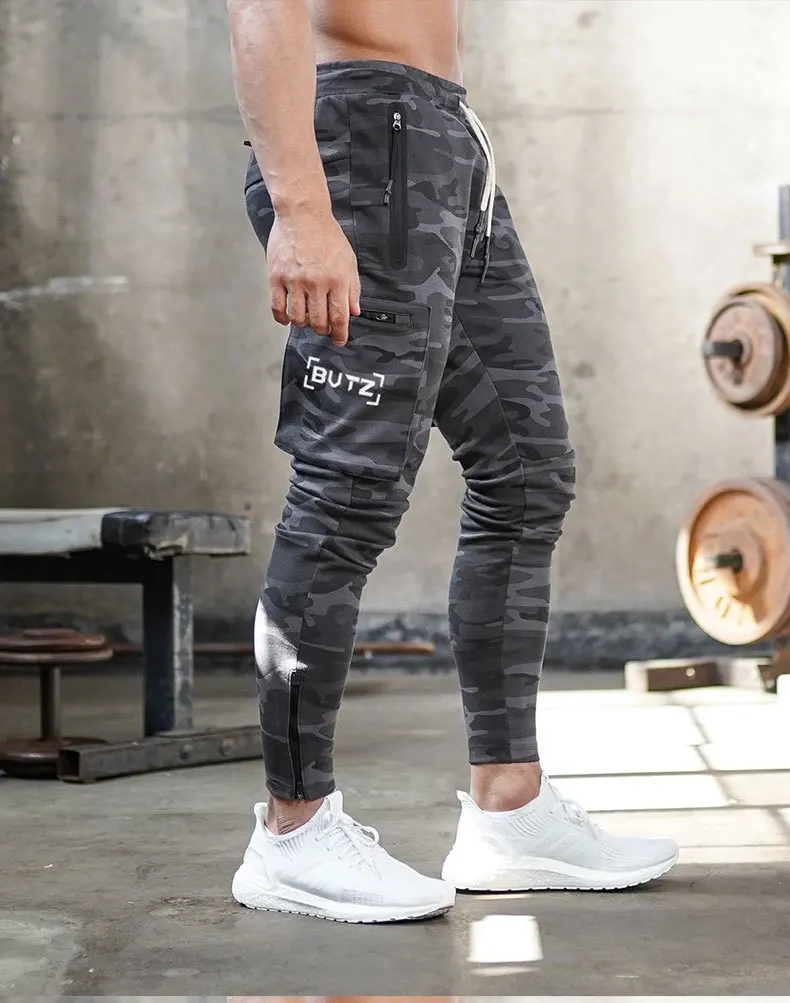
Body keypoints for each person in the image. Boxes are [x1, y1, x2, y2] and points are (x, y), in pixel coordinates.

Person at [226, 0, 679, 924]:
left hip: (443, 142)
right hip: (366, 144)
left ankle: (510, 809)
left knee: (527, 472)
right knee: (347, 489)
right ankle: (291, 829)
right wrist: (302, 210)